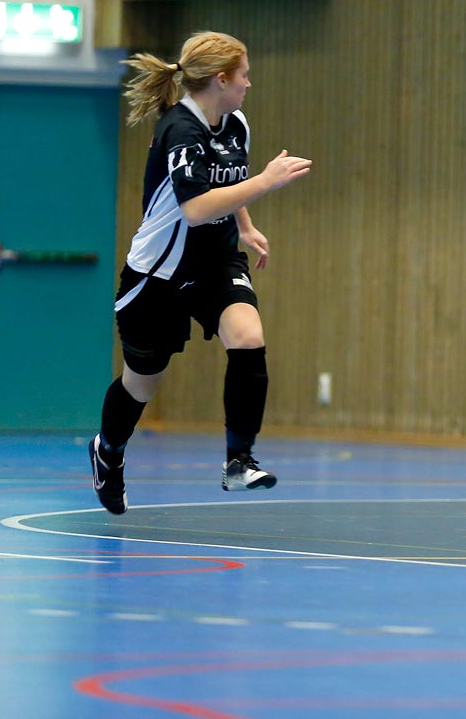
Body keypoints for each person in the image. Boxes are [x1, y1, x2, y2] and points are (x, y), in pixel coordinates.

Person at [88, 31, 313, 515]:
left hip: (215, 259)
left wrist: (247, 227)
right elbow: (194, 208)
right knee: (142, 381)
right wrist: (266, 183)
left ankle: (239, 460)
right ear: (220, 79)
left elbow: (229, 184)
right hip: (160, 272)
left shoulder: (235, 123)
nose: (249, 84)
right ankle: (108, 450)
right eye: (244, 75)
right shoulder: (180, 131)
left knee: (248, 336)